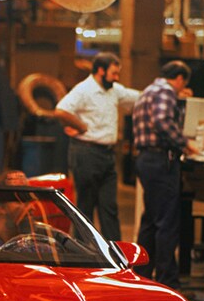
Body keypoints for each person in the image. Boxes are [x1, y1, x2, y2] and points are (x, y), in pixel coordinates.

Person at [54, 52, 140, 241]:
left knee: (109, 207)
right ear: (101, 71)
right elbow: (61, 110)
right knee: (86, 207)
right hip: (87, 153)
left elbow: (138, 97)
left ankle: (115, 253)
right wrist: (80, 126)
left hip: (107, 155)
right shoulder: (83, 90)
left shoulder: (114, 90)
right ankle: (85, 253)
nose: (116, 78)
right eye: (114, 73)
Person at [132, 60, 198, 291]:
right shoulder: (165, 91)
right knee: (166, 222)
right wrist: (186, 143)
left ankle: (141, 274)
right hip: (160, 161)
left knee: (151, 220)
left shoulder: (148, 91)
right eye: (182, 84)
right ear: (179, 78)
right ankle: (167, 280)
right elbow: (162, 120)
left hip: (146, 159)